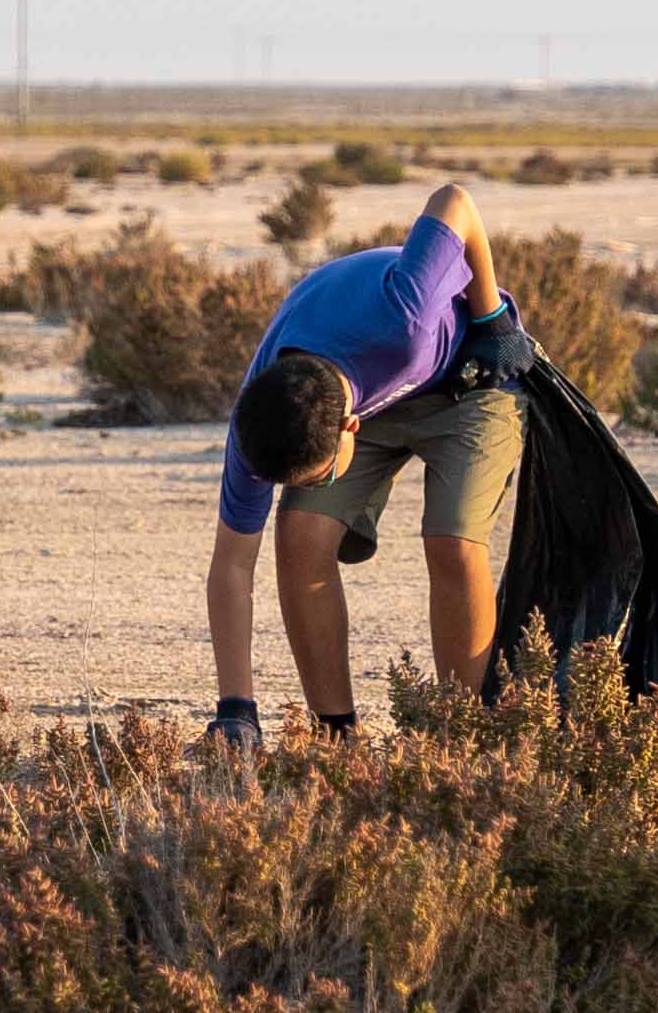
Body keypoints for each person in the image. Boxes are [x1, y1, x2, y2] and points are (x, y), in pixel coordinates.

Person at [204, 179, 537, 745]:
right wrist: (237, 708)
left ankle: (461, 735)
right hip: (363, 384)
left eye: (324, 473)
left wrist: (491, 322)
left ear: (348, 428)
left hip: (467, 380)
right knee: (300, 534)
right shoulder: (256, 424)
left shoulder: (403, 317)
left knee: (452, 543)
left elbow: (454, 200)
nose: (316, 485)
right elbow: (232, 566)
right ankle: (338, 737)